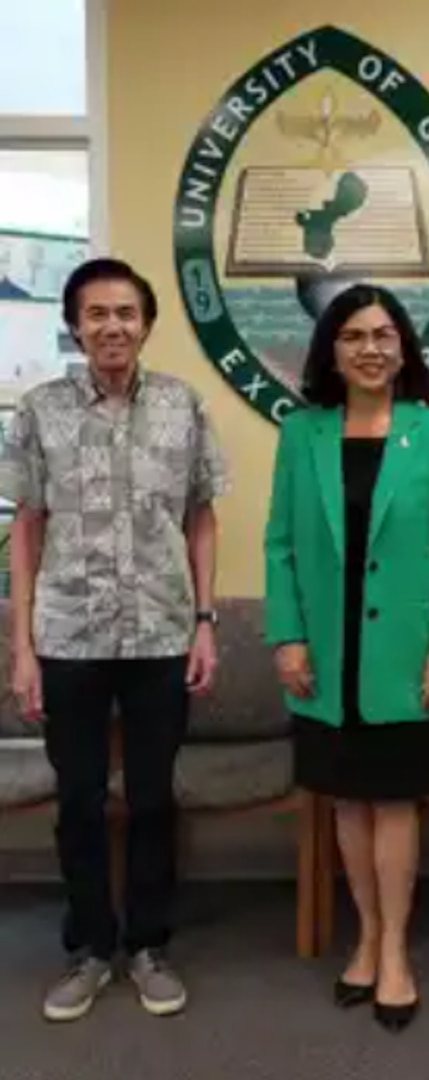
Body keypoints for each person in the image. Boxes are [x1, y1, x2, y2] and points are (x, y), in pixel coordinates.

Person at [0, 258, 227, 1021]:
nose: (112, 327)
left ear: (147, 323)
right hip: (69, 637)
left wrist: (204, 622)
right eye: (95, 314)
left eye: (125, 313)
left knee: (156, 797)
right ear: (74, 325)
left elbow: (200, 516)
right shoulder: (38, 411)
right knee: (81, 800)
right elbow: (26, 528)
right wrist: (23, 646)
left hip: (162, 632)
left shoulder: (182, 406)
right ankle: (91, 948)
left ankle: (149, 945)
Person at [265, 284, 429, 1032]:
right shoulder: (301, 432)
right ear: (332, 350)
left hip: (405, 654)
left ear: (405, 346)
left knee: (393, 798)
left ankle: (396, 951)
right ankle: (365, 933)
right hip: (325, 653)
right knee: (347, 800)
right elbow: (280, 543)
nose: (371, 348)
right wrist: (286, 636)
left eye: (384, 334)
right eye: (353, 335)